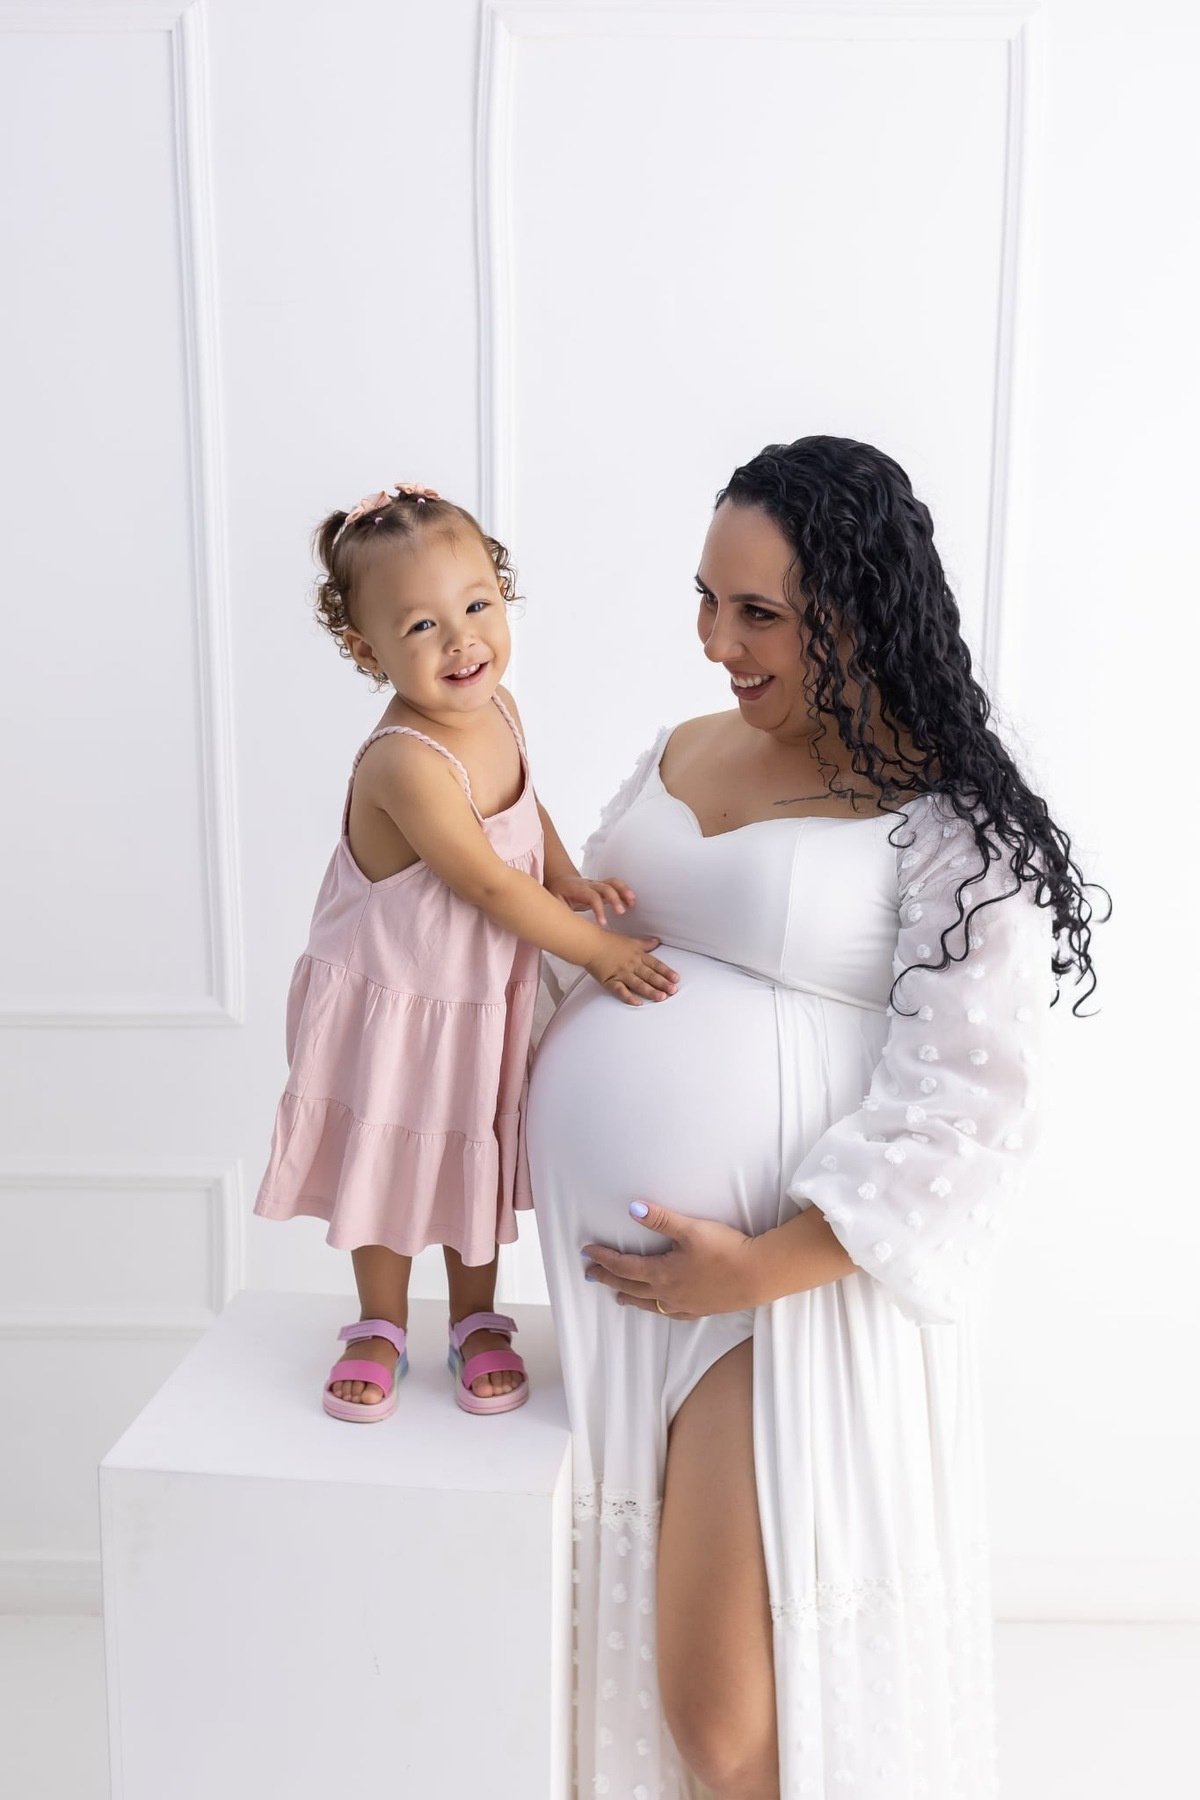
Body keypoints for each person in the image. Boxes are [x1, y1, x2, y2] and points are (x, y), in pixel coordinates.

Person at [527, 438, 1101, 1799]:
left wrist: (758, 1269)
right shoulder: (679, 749)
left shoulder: (950, 816)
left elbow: (973, 1106)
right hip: (623, 1294)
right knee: (638, 1674)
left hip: (775, 1298)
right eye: (705, 599)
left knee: (723, 1722)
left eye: (759, 614)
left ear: (856, 610)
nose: (717, 644)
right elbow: (579, 938)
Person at [254, 482, 677, 1423]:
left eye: (478, 605)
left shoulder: (500, 708)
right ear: (367, 651)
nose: (462, 641)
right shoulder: (405, 760)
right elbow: (485, 883)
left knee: (466, 1154)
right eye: (422, 626)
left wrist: (564, 876)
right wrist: (596, 953)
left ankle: (476, 1316)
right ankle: (378, 1322)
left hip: (476, 994)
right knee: (389, 1157)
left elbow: (527, 806)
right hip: (397, 1003)